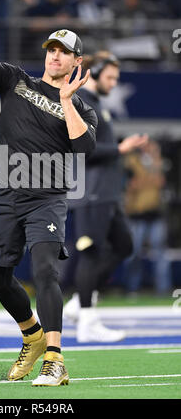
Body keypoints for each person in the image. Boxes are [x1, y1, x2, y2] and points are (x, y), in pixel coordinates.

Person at [0, 0, 97, 386]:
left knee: (45, 270)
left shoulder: (82, 107)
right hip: (5, 194)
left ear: (76, 61)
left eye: (64, 51)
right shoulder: (16, 82)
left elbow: (82, 146)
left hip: (46, 199)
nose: (55, 55)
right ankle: (33, 336)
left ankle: (55, 359)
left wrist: (67, 100)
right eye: (51, 48)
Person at [63, 51, 149, 342]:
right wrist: (121, 149)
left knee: (124, 245)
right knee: (90, 253)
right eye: (110, 77)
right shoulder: (81, 102)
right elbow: (81, 150)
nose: (113, 83)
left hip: (108, 193)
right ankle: (87, 318)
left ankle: (78, 302)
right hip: (92, 192)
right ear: (95, 72)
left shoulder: (98, 103)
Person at [123, 140, 171, 295]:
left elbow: (160, 181)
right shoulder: (130, 161)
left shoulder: (158, 162)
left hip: (155, 214)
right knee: (133, 254)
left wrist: (154, 158)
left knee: (161, 254)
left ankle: (163, 289)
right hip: (137, 214)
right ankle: (132, 289)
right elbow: (132, 185)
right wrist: (146, 180)